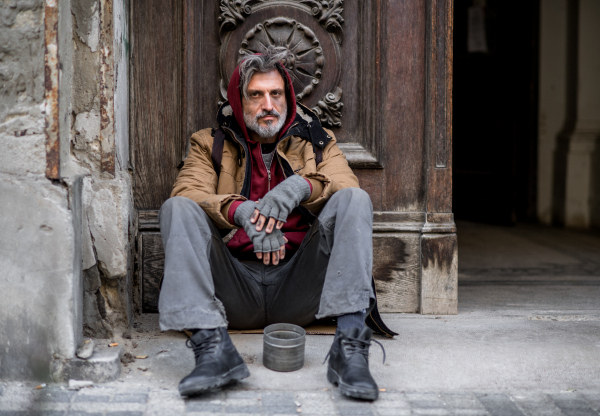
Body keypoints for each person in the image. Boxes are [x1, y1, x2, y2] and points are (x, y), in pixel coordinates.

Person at [158, 46, 393, 401]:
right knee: (177, 207)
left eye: (276, 94)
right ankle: (212, 348)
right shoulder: (209, 143)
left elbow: (345, 184)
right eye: (256, 95)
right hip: (233, 288)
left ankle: (349, 349)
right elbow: (189, 191)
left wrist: (299, 187)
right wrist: (243, 214)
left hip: (301, 288)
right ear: (240, 102)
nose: (268, 105)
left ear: (288, 99)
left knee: (354, 200)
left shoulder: (317, 141)